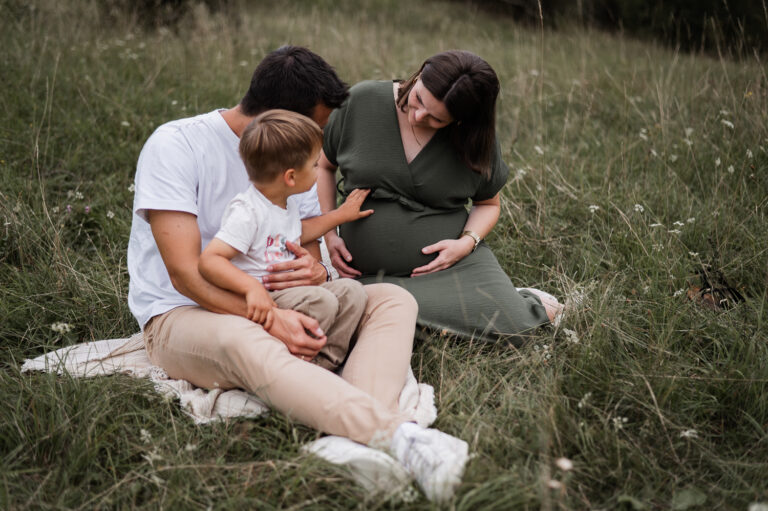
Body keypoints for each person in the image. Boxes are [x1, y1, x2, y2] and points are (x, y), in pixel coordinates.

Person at [127, 46, 468, 502]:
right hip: (183, 314)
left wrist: (314, 271)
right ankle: (399, 439)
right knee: (240, 340)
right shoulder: (177, 145)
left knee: (393, 299)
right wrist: (268, 317)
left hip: (280, 301)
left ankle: (344, 444)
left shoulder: (298, 162)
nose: (323, 142)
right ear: (283, 120)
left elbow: (308, 254)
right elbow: (186, 274)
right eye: (319, 128)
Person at [318, 50, 563, 343]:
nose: (418, 116)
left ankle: (518, 301)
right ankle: (387, 309)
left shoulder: (473, 140)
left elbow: (488, 204)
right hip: (361, 269)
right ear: (419, 74)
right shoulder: (362, 100)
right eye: (419, 99)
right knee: (350, 317)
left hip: (450, 269)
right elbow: (324, 166)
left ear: (461, 121)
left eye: (436, 119)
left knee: (515, 325)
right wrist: (330, 233)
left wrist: (466, 243)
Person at [199, 109, 375, 371]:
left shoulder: (284, 204)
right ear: (290, 177)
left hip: (289, 294)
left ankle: (325, 361)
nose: (319, 170)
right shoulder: (247, 211)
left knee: (353, 291)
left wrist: (340, 215)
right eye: (315, 165)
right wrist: (251, 289)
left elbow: (299, 232)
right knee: (322, 302)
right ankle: (294, 362)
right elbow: (210, 260)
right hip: (266, 298)